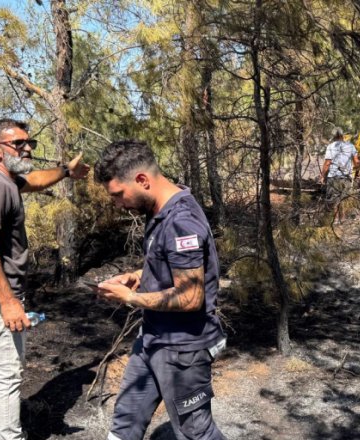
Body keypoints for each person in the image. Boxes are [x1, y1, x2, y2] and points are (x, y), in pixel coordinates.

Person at [0, 118, 89, 440]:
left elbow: (37, 180)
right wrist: (8, 302)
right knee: (6, 376)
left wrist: (67, 172)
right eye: (18, 144)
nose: (27, 148)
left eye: (30, 143)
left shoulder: (7, 180)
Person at [93, 139, 227, 440]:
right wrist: (139, 276)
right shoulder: (161, 207)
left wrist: (131, 298)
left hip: (182, 349)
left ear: (142, 180)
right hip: (153, 338)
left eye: (118, 195)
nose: (117, 204)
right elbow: (171, 263)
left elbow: (191, 297)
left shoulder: (182, 221)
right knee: (126, 420)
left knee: (196, 431)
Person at [320, 127, 360, 210]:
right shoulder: (351, 146)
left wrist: (322, 176)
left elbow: (327, 163)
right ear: (342, 135)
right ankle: (342, 221)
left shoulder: (331, 146)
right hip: (346, 177)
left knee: (333, 201)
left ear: (333, 136)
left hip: (333, 177)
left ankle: (334, 221)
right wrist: (357, 173)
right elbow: (356, 162)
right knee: (344, 201)